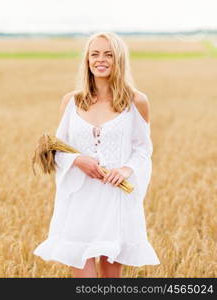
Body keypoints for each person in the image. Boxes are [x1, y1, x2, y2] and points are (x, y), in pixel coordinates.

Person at [33, 32, 160, 278]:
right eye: (95, 54)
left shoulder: (136, 101)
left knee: (111, 278)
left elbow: (143, 149)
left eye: (108, 54)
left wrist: (125, 170)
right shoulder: (71, 101)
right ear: (87, 60)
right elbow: (58, 148)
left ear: (119, 60)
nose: (100, 59)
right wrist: (77, 160)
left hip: (115, 198)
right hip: (80, 198)